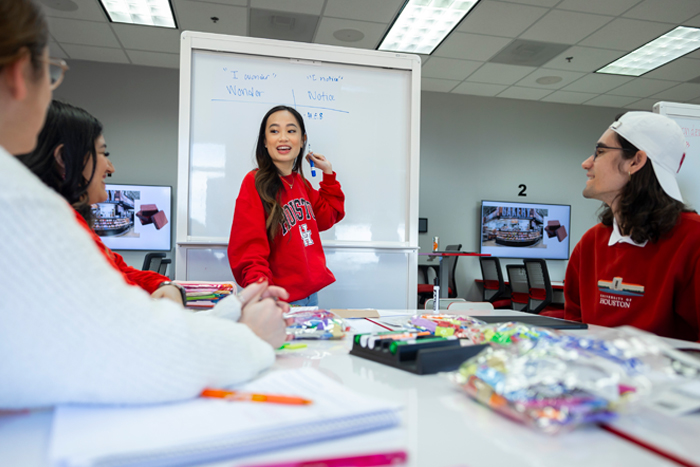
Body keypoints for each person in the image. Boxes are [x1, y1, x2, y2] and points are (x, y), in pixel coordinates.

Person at [0, 0, 290, 409]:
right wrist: (250, 337)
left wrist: (228, 313)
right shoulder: (19, 202)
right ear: (18, 76)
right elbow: (133, 349)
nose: (112, 167)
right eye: (49, 74)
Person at [18, 100, 183, 303]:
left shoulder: (67, 222)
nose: (111, 168)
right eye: (103, 153)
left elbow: (121, 271)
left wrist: (163, 285)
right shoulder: (54, 230)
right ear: (64, 158)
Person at [565, 111, 700, 341]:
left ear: (636, 161)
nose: (586, 163)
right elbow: (575, 326)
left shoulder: (692, 241)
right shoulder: (591, 244)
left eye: (600, 152)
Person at [228, 105, 345, 306]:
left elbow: (328, 217)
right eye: (274, 131)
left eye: (291, 131)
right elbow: (249, 251)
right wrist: (265, 295)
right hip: (278, 300)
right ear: (265, 141)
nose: (283, 138)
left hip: (310, 296)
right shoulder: (254, 182)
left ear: (302, 140)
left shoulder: (301, 183)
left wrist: (328, 174)